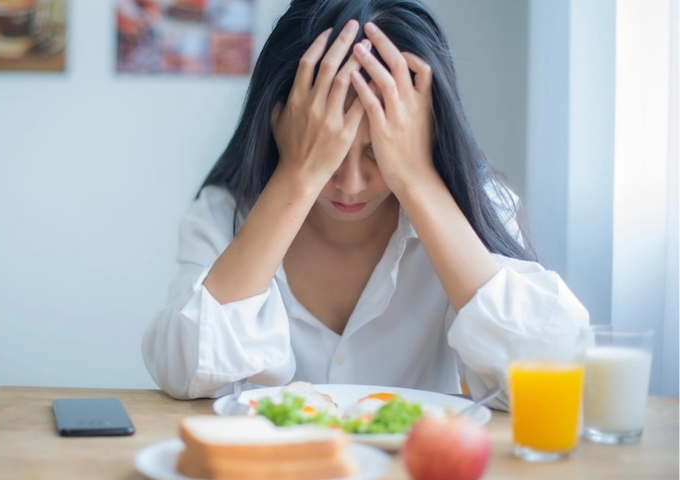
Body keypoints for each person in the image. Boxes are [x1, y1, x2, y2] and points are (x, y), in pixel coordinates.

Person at [141, 0, 588, 409]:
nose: (350, 184)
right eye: (328, 152)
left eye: (377, 152)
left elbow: (555, 375)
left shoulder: (479, 207)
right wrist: (297, 176)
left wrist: (416, 177)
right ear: (280, 126)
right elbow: (187, 372)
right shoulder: (220, 217)